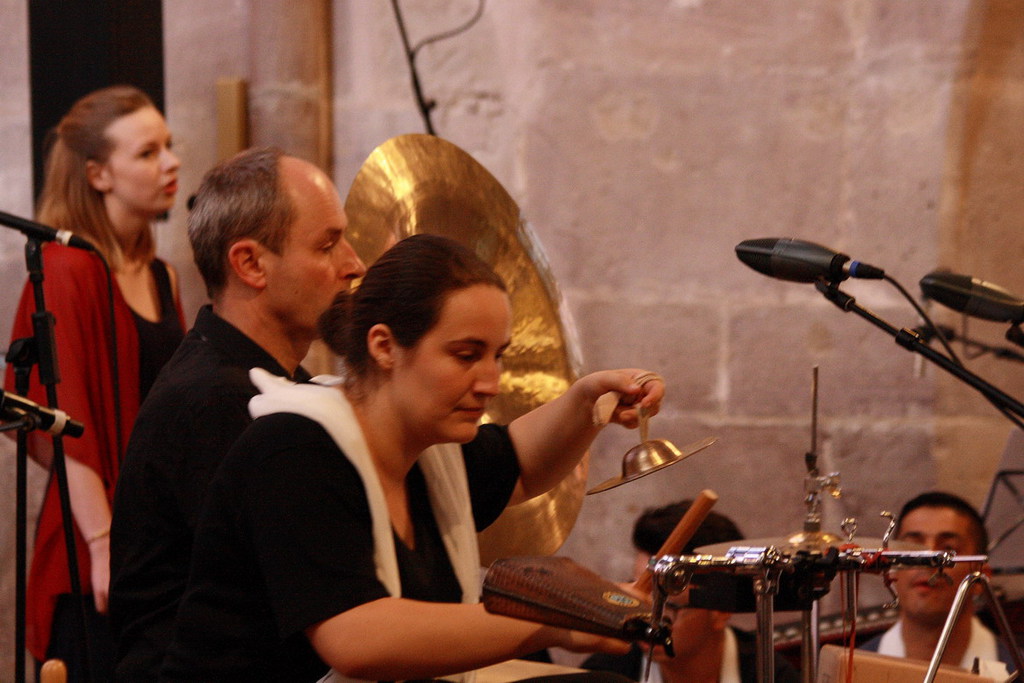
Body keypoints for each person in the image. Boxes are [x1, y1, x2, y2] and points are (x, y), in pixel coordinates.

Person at [159, 233, 663, 681]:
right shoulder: (294, 449)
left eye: (498, 355)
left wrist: (588, 402)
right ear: (384, 346)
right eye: (466, 355)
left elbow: (520, 465)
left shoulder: (425, 452)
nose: (491, 383)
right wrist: (554, 621)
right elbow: (358, 639)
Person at [108, 146, 366, 682]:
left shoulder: (273, 382)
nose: (354, 265)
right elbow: (321, 597)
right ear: (250, 264)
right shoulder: (213, 400)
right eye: (327, 245)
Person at [4, 84, 184, 681]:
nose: (171, 163)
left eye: (168, 146)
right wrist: (103, 542)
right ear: (98, 174)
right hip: (93, 547)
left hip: (159, 540)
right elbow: (66, 424)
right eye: (147, 152)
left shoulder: (163, 276)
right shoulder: (64, 268)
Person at [582, 501, 800, 683]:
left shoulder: (771, 675)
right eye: (638, 594)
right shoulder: (606, 673)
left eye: (668, 606)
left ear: (721, 611)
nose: (645, 618)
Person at [859, 491, 1016, 673]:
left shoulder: (1014, 671)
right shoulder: (852, 670)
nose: (929, 562)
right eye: (913, 548)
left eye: (948, 550)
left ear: (981, 576)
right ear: (892, 570)